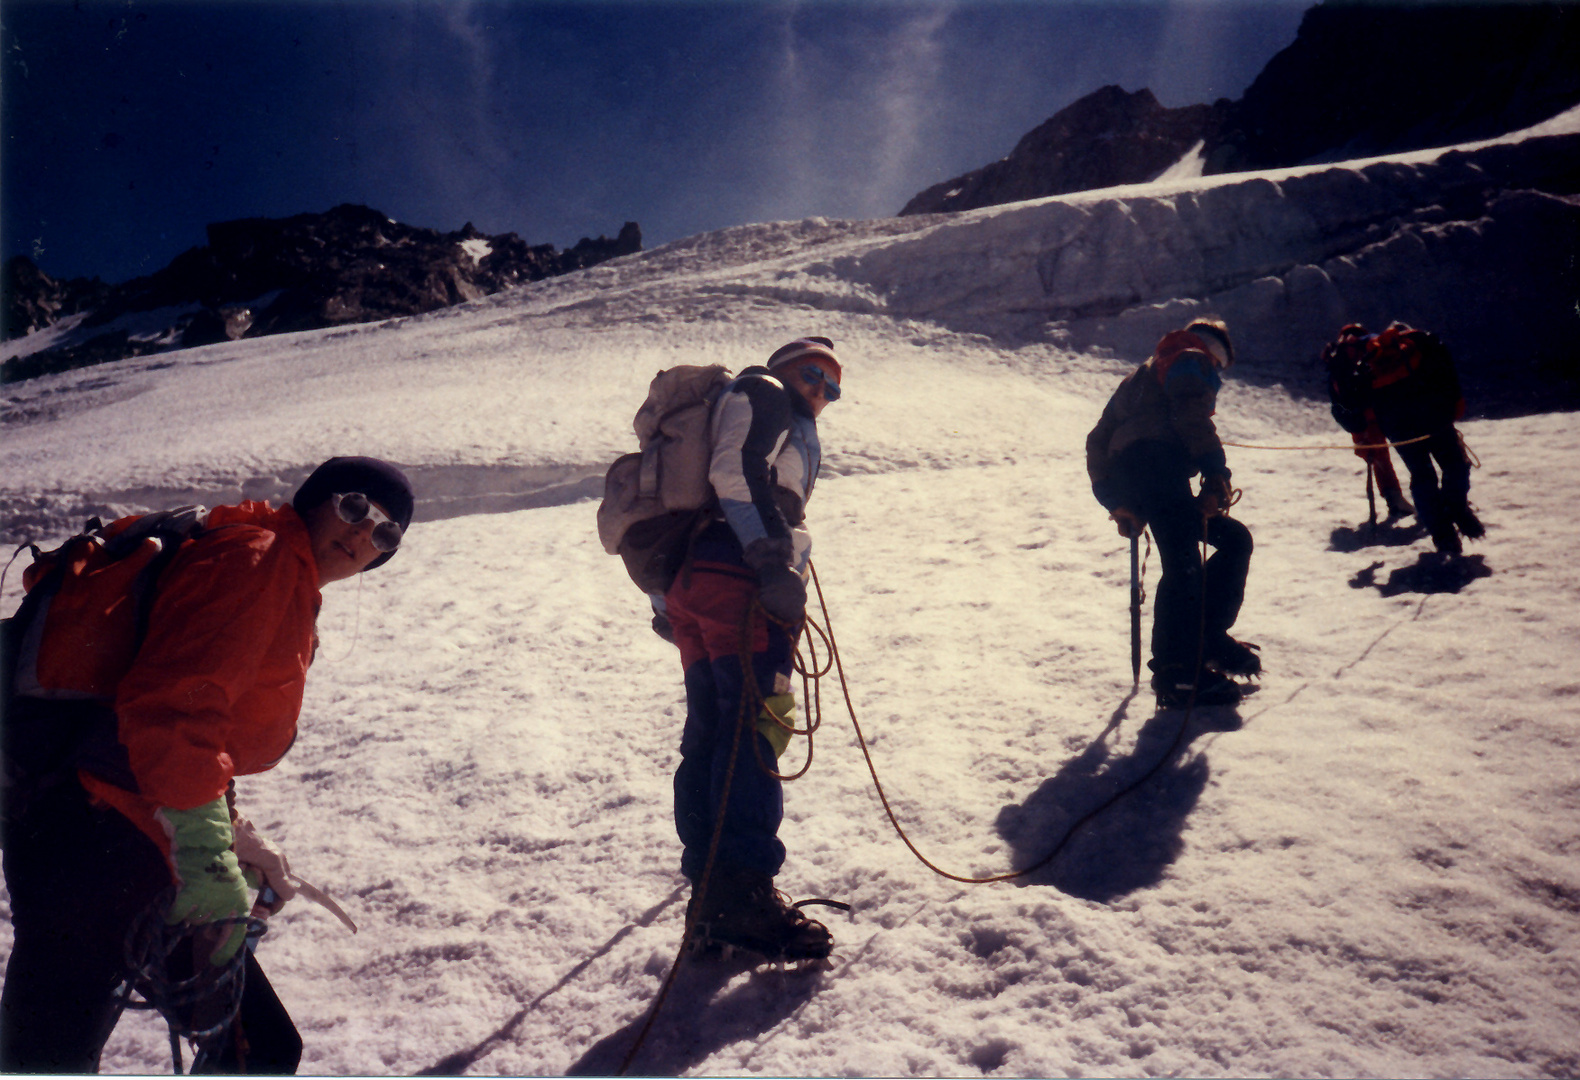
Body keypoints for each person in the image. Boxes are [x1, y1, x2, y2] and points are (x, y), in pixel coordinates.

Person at [1, 456, 414, 1073]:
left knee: (252, 1048)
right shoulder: (259, 559)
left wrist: (233, 836)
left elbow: (196, 723)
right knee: (53, 1060)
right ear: (317, 499)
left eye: (385, 533)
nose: (362, 535)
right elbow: (171, 715)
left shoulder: (276, 569)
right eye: (355, 508)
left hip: (109, 831)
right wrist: (206, 853)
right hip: (97, 840)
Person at [652, 337, 842, 963]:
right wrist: (768, 563)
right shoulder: (765, 393)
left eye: (831, 386)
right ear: (785, 367)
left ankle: (711, 897)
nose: (820, 390)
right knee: (753, 730)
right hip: (739, 580)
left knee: (712, 734)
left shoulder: (751, 402)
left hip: (698, 583)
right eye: (812, 373)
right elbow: (734, 472)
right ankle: (741, 893)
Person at [1085, 318, 1258, 708]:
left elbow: (1097, 441)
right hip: (1159, 468)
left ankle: (1204, 639)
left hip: (1140, 476)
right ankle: (1177, 671)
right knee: (1185, 564)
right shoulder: (1192, 358)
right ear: (1216, 354)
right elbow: (1192, 416)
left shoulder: (1141, 375)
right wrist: (1215, 473)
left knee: (1228, 542)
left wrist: (1114, 500)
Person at [1358, 322, 1481, 554]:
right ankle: (1456, 507)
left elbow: (1366, 402)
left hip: (1401, 430)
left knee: (1422, 476)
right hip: (1434, 419)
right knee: (1455, 465)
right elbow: (1448, 378)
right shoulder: (1424, 344)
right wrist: (1451, 408)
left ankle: (1442, 535)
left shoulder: (1375, 361)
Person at [1323, 324, 1414, 521]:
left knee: (1377, 458)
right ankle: (1397, 500)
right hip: (1372, 412)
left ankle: (1393, 499)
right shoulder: (1362, 346)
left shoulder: (1335, 356)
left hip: (1353, 418)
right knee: (1392, 454)